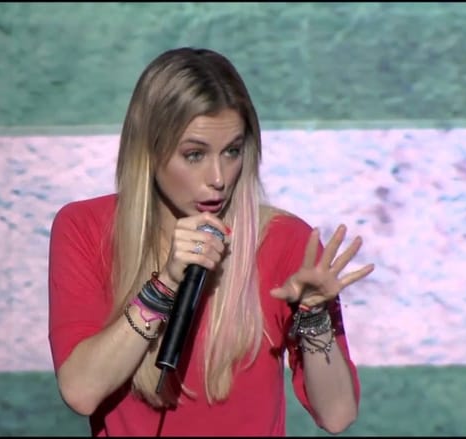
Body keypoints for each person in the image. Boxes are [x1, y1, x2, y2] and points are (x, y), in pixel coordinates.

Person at [47, 47, 375, 437]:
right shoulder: (85, 227)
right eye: (194, 154)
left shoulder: (286, 241)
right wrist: (165, 285)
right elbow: (81, 391)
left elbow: (337, 415)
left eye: (232, 151)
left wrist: (315, 316)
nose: (218, 178)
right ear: (148, 150)